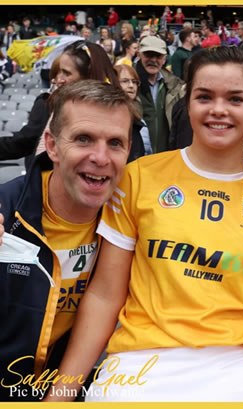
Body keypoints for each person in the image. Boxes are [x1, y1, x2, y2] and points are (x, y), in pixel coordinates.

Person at [46, 46, 243, 402]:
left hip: (236, 368)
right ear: (187, 102)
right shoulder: (139, 178)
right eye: (204, 96)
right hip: (137, 365)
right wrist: (59, 395)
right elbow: (105, 296)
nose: (218, 109)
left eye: (235, 98)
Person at [0, 80, 137, 401]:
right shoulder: (7, 208)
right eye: (83, 139)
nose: (100, 157)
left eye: (115, 143)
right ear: (51, 145)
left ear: (129, 150)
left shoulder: (133, 220)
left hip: (74, 388)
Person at [0, 40, 119, 168]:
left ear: (87, 77)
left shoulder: (115, 112)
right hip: (45, 183)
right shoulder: (48, 104)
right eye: (58, 72)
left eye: (66, 73)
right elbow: (24, 142)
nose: (59, 80)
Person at [135, 35, 184, 153]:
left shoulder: (174, 85)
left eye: (158, 56)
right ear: (138, 55)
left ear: (164, 58)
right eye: (148, 55)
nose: (153, 60)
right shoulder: (128, 83)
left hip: (165, 155)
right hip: (136, 155)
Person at [114, 64, 147, 161]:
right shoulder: (111, 116)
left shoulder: (137, 114)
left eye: (134, 82)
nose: (131, 86)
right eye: (125, 81)